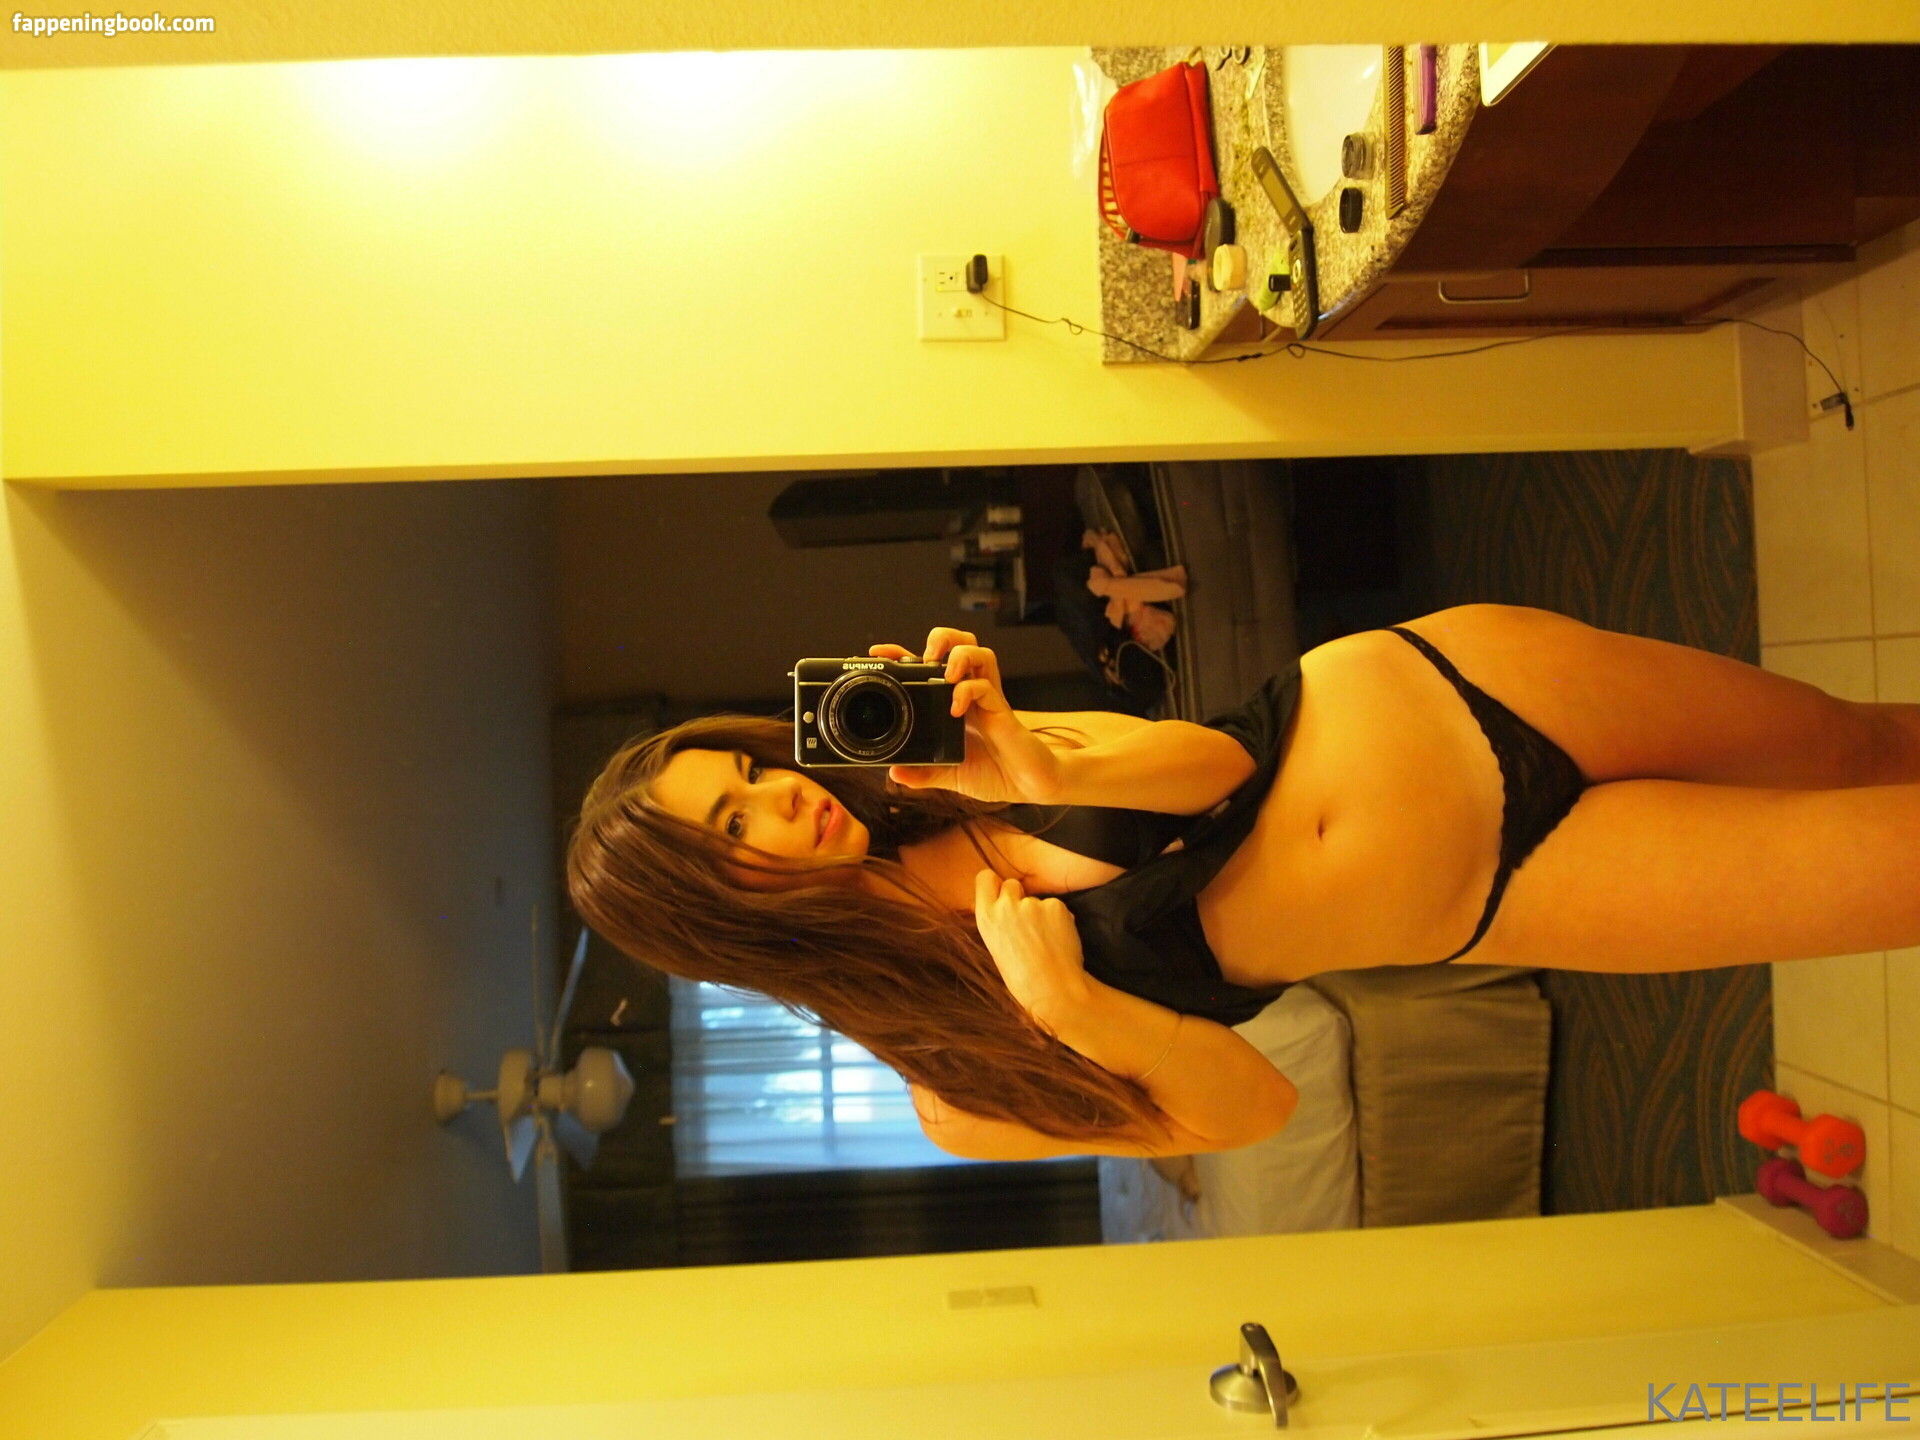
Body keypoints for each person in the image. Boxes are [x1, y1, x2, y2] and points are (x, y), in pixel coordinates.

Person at [566, 604, 1920, 1163]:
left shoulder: (940, 777)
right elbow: (1250, 1111)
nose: (781, 798)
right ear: (717, 915)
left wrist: (1032, 765)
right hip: (1502, 888)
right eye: (733, 825)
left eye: (748, 773)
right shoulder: (957, 1085)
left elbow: (1220, 759)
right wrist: (1079, 1011)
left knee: (1854, 741)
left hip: (1444, 684)